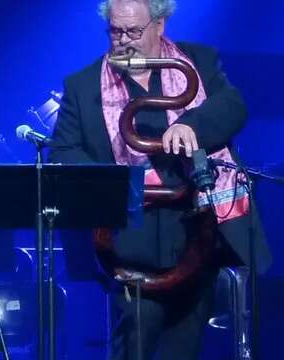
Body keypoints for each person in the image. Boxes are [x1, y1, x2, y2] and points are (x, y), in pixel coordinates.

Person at [48, 1, 271, 359]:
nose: (123, 41)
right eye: (115, 31)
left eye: (133, 31)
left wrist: (190, 125)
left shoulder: (198, 60)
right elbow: (63, 154)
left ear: (160, 24)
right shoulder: (82, 84)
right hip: (129, 242)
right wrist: (122, 178)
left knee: (184, 347)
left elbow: (233, 107)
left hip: (197, 231)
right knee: (136, 340)